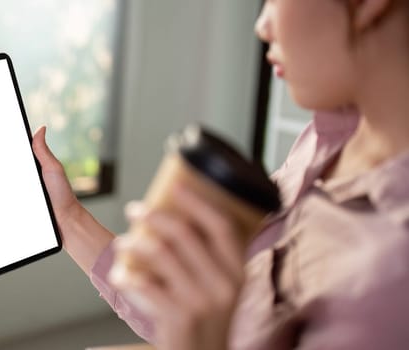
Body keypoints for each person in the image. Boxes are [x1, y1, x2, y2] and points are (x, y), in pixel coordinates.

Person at [32, 0, 409, 349]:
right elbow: (203, 314)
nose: (261, 25)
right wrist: (67, 216)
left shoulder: (389, 277)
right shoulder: (328, 135)